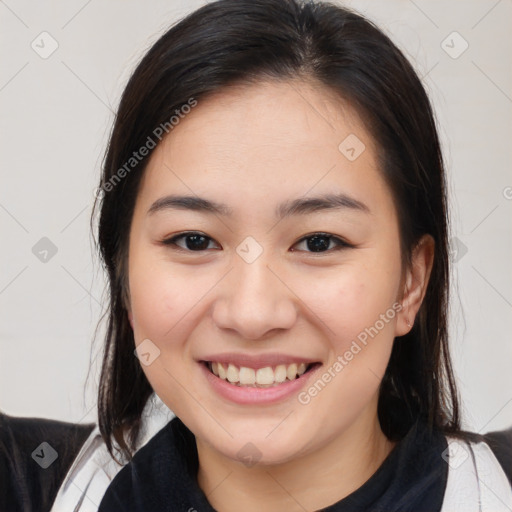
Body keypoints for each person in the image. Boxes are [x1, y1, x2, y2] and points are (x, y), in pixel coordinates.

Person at [1, 0, 510, 511]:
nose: (252, 314)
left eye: (318, 242)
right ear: (124, 273)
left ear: (410, 282)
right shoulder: (28, 484)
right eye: (194, 240)